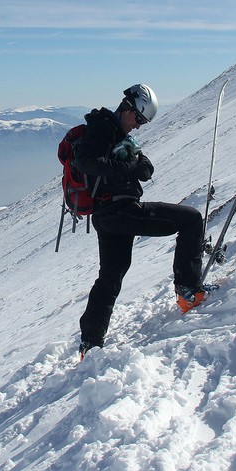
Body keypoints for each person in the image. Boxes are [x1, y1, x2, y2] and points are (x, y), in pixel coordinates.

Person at [73, 83, 209, 358]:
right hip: (121, 212)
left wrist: (136, 164)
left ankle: (90, 343)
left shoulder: (118, 134)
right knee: (191, 220)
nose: (139, 126)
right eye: (138, 119)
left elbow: (145, 168)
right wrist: (129, 167)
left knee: (110, 277)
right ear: (127, 108)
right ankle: (188, 291)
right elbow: (85, 161)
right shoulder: (103, 129)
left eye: (143, 122)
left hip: (108, 216)